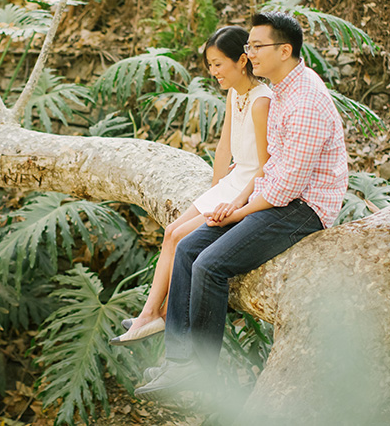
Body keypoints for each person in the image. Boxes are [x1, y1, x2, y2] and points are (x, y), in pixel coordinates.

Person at [134, 11, 349, 398]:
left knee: (211, 265)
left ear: (285, 50)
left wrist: (236, 211)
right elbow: (268, 168)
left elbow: (285, 189)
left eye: (256, 46)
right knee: (186, 248)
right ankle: (178, 361)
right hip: (272, 195)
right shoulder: (283, 89)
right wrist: (233, 199)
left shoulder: (306, 101)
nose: (249, 53)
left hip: (303, 208)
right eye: (247, 46)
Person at [110, 26, 273, 345]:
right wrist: (213, 193)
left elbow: (267, 165)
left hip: (250, 189)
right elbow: (224, 149)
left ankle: (156, 315)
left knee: (180, 237)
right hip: (231, 183)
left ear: (242, 61)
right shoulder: (234, 95)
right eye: (209, 66)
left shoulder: (262, 101)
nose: (213, 73)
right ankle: (151, 313)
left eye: (218, 64)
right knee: (171, 231)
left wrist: (233, 204)